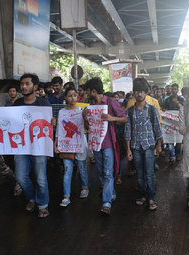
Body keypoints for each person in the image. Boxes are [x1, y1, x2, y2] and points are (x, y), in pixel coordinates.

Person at [13, 73, 55, 218]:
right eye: (22, 84)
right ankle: (31, 198)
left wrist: (52, 123)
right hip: (21, 147)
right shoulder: (17, 104)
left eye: (27, 84)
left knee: (41, 178)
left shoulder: (43, 104)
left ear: (35, 87)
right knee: (20, 176)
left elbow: (49, 125)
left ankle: (42, 204)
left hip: (39, 146)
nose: (23, 87)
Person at [82, 78, 127, 214]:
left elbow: (124, 118)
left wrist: (111, 118)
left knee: (107, 173)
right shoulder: (91, 105)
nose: (86, 93)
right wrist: (84, 118)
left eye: (87, 91)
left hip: (108, 144)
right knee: (101, 172)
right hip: (96, 143)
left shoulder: (111, 101)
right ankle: (111, 193)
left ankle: (106, 203)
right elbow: (88, 127)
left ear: (93, 91)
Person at [125, 78, 163, 211]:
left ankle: (151, 197)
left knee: (150, 172)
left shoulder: (152, 109)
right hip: (135, 147)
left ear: (146, 93)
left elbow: (157, 128)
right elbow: (128, 130)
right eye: (136, 92)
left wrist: (159, 144)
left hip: (149, 145)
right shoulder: (130, 111)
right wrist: (128, 149)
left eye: (141, 91)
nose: (139, 94)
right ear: (134, 93)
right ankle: (143, 195)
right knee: (139, 172)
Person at [54, 86, 89, 207]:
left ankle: (85, 187)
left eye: (74, 95)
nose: (73, 98)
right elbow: (59, 129)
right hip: (66, 145)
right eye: (70, 95)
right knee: (67, 170)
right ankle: (66, 196)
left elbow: (87, 128)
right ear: (65, 98)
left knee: (81, 168)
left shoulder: (82, 110)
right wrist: (56, 143)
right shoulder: (62, 112)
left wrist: (85, 117)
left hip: (79, 143)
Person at [163, 83, 184, 163]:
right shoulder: (167, 100)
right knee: (170, 139)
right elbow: (164, 109)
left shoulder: (182, 99)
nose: (174, 91)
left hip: (179, 123)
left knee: (178, 139)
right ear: (171, 90)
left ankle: (177, 155)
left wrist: (179, 105)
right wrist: (164, 110)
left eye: (175, 89)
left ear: (178, 90)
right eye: (173, 89)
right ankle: (172, 155)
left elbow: (185, 109)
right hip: (170, 123)